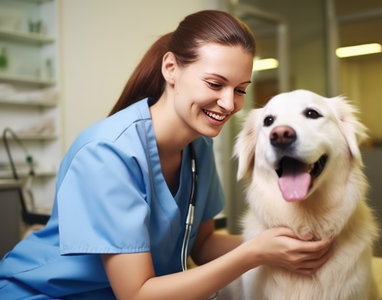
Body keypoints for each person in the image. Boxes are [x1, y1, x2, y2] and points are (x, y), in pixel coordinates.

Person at [0, 10, 333, 299]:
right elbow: (137, 294)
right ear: (171, 68)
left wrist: (287, 242)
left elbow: (201, 246)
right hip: (44, 294)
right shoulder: (107, 153)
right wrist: (256, 253)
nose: (230, 104)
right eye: (215, 84)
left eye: (241, 89)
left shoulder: (197, 146)